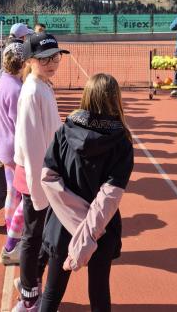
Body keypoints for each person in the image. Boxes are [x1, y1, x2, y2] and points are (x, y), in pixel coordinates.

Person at [39, 73, 134, 312]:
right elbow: (108, 198)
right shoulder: (122, 142)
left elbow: (49, 179)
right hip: (101, 230)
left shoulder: (63, 131)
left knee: (52, 292)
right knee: (99, 292)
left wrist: (76, 223)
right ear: (115, 99)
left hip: (61, 227)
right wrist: (87, 233)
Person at [12, 32, 69, 312]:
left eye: (55, 57)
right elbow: (32, 146)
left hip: (45, 175)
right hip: (37, 178)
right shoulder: (33, 91)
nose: (51, 63)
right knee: (33, 238)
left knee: (43, 237)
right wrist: (39, 193)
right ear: (30, 61)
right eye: (44, 59)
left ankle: (30, 283)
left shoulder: (42, 85)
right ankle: (29, 297)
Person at [0, 42, 25, 265]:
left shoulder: (3, 82)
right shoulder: (16, 89)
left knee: (12, 194)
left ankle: (11, 231)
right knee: (27, 198)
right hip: (15, 152)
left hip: (4, 148)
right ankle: (12, 244)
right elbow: (20, 125)